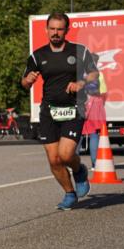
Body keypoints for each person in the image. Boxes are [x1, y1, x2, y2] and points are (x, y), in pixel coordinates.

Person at [21, 12, 98, 210]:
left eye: (59, 29)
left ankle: (79, 170)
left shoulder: (79, 51)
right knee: (54, 159)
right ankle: (69, 193)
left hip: (73, 108)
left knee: (65, 155)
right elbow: (24, 82)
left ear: (66, 30)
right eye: (52, 29)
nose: (55, 33)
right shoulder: (38, 56)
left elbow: (94, 73)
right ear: (46, 30)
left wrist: (80, 83)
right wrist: (27, 81)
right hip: (49, 111)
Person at [81, 54, 107, 170]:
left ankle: (73, 163)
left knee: (77, 134)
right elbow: (103, 92)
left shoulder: (80, 74)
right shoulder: (99, 75)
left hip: (81, 104)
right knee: (94, 134)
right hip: (95, 105)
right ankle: (95, 164)